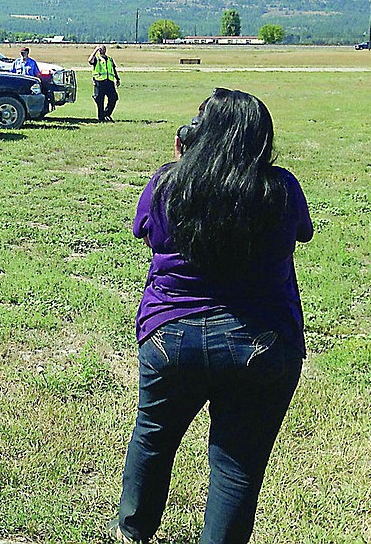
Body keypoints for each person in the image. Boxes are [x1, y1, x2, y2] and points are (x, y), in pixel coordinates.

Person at [110, 88, 314, 544]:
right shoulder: (280, 188)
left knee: (153, 436)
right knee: (237, 465)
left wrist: (183, 163)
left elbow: (146, 232)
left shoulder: (168, 182)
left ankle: (133, 531)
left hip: (171, 333)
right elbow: (303, 232)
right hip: (261, 340)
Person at [90, 45, 120, 122]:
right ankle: (101, 118)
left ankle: (106, 114)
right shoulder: (97, 59)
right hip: (99, 81)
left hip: (109, 81)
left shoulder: (110, 59)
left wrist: (117, 78)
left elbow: (113, 69)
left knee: (114, 98)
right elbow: (90, 60)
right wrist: (95, 50)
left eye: (102, 48)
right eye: (100, 49)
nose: (101, 50)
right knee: (100, 100)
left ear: (105, 50)